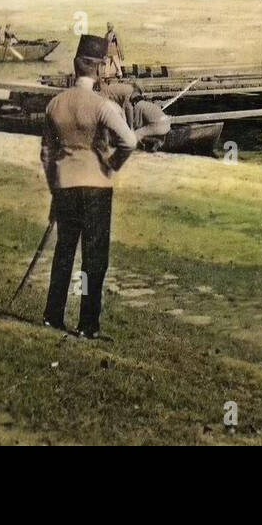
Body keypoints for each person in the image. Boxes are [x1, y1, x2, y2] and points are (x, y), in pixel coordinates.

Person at [41, 35, 138, 339]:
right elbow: (130, 142)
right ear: (98, 69)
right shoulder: (103, 106)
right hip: (96, 185)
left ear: (74, 65)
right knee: (93, 257)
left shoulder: (55, 104)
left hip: (65, 185)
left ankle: (53, 316)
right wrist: (112, 165)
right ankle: (87, 324)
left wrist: (55, 186)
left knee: (64, 251)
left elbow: (46, 152)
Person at [101, 77, 173, 148]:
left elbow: (134, 123)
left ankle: (155, 141)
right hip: (166, 125)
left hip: (157, 126)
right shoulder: (148, 104)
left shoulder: (135, 106)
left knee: (133, 136)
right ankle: (155, 141)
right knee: (141, 132)